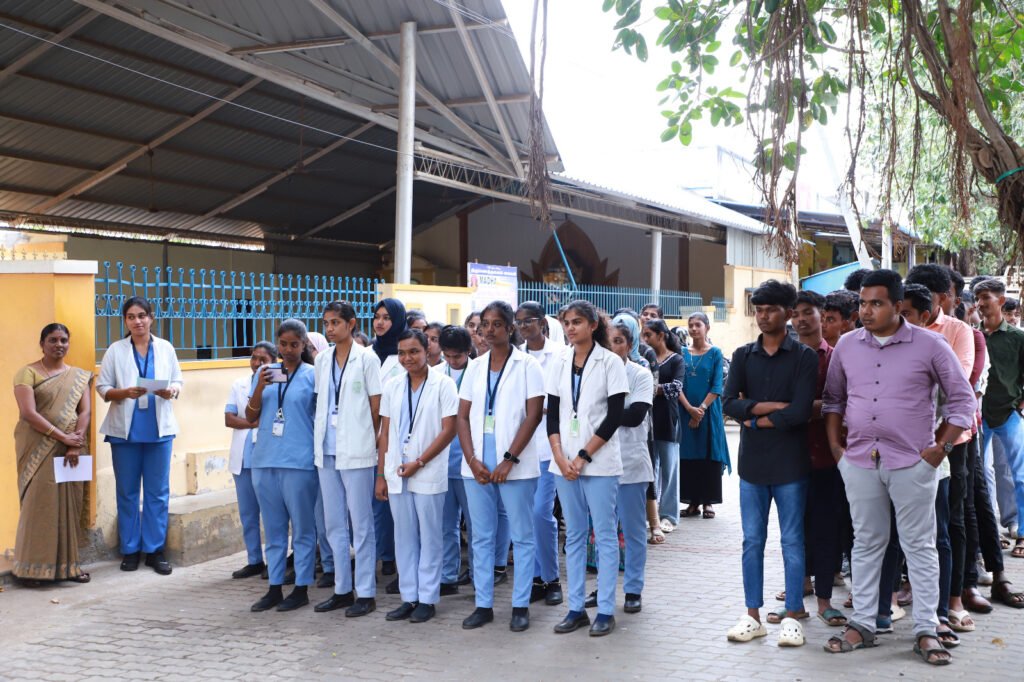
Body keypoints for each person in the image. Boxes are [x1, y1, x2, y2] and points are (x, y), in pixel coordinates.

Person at [822, 269, 974, 665]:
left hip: (912, 462)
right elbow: (834, 400)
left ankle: (926, 628)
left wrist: (939, 450)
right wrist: (837, 450)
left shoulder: (930, 344)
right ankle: (863, 623)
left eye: (876, 303)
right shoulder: (847, 346)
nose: (866, 311)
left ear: (897, 304)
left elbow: (963, 402)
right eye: (862, 303)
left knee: (919, 546)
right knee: (866, 543)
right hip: (859, 461)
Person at [722, 280, 816, 647]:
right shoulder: (743, 355)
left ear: (788, 313)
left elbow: (800, 411)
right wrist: (773, 407)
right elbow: (729, 404)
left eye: (771, 310)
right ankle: (752, 616)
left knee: (792, 540)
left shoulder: (804, 357)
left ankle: (793, 615)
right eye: (758, 310)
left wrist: (754, 419)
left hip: (791, 464)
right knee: (752, 540)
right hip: (752, 466)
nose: (763, 316)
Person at [458, 301, 545, 631]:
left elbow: (533, 416)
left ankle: (520, 605)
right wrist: (472, 460)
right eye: (485, 324)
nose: (489, 329)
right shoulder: (475, 367)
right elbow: (462, 417)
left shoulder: (527, 366)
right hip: (477, 467)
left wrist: (509, 460)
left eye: (497, 324)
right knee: (481, 537)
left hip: (515, 467)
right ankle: (483, 604)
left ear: (510, 328)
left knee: (521, 536)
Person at [546, 300, 628, 637]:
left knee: (605, 536)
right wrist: (560, 456)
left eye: (577, 322)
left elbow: (614, 417)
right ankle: (576, 608)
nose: (570, 328)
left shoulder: (610, 362)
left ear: (593, 325)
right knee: (575, 536)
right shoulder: (559, 361)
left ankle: (605, 610)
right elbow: (552, 414)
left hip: (599, 463)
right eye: (566, 322)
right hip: (563, 464)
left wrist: (582, 457)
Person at [376, 329, 459, 624]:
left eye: (413, 351)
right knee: (404, 537)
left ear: (427, 351)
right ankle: (409, 597)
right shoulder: (392, 386)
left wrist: (420, 461)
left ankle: (427, 598)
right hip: (397, 471)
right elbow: (385, 433)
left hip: (427, 469)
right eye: (402, 353)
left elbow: (449, 430)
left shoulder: (444, 384)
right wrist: (381, 475)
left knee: (430, 536)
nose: (407, 358)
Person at [98, 296, 183, 576]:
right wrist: (123, 393)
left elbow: (178, 380)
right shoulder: (116, 350)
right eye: (131, 317)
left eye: (142, 315)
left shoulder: (166, 348)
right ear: (125, 321)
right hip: (126, 433)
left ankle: (155, 550)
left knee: (158, 492)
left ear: (151, 317)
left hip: (159, 431)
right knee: (127, 491)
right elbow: (103, 387)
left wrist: (171, 391)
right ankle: (130, 549)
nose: (137, 321)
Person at [312, 301, 382, 617]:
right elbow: (321, 402)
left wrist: (373, 443)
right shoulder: (322, 359)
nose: (330, 328)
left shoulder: (367, 358)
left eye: (335, 322)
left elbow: (376, 406)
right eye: (326, 323)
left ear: (351, 324)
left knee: (361, 524)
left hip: (357, 450)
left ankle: (365, 592)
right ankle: (342, 589)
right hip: (327, 450)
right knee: (334, 524)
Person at [245, 319, 318, 612]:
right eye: (283, 344)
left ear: (304, 345)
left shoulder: (313, 375)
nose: (288, 350)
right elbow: (250, 416)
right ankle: (274, 587)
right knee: (274, 529)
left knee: (302, 529)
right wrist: (260, 387)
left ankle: (301, 588)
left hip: (299, 462)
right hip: (265, 460)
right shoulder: (265, 373)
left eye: (294, 345)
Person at [12, 323, 93, 585]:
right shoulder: (27, 373)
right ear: (42, 343)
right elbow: (28, 413)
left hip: (70, 450)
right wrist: (62, 436)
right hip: (38, 447)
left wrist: (74, 443)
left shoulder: (78, 376)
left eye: (63, 340)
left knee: (70, 506)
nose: (59, 345)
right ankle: (32, 570)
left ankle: (70, 567)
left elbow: (85, 412)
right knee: (39, 506)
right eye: (53, 340)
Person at [789, 290, 846, 627]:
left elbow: (843, 404)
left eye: (807, 312)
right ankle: (798, 591)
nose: (800, 319)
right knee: (794, 530)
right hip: (789, 459)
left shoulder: (837, 358)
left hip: (828, 456)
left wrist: (799, 410)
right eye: (795, 313)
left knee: (826, 529)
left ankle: (825, 600)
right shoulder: (786, 358)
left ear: (821, 315)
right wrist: (815, 409)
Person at [517, 301, 565, 606]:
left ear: (542, 322)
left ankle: (552, 577)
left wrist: (541, 408)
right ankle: (536, 578)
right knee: (525, 517)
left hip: (548, 447)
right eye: (519, 322)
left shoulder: (559, 354)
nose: (523, 327)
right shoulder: (515, 357)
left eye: (528, 321)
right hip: (521, 448)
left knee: (540, 513)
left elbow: (562, 398)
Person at [604, 318, 654, 613]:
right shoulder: (594, 374)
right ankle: (604, 587)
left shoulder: (640, 374)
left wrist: (601, 414)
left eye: (618, 341)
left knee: (633, 532)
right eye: (608, 341)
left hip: (631, 462)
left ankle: (633, 588)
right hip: (599, 464)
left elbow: (635, 416)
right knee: (603, 533)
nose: (612, 347)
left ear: (630, 345)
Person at [974, 278, 1024, 565]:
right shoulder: (973, 336)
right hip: (978, 416)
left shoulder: (1017, 337)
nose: (981, 303)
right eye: (978, 298)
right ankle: (990, 534)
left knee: (1020, 475)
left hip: (1008, 413)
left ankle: (1022, 534)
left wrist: (1019, 404)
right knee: (981, 476)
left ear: (1001, 301)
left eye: (986, 298)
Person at [225, 341, 276, 580]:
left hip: (267, 457)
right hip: (243, 458)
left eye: (263, 360)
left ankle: (275, 562)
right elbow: (229, 419)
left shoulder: (278, 385)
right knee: (248, 514)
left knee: (271, 513)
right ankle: (254, 560)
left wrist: (248, 421)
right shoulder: (239, 384)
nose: (257, 363)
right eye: (254, 358)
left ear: (274, 362)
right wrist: (254, 422)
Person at [678, 312, 730, 520]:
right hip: (685, 411)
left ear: (707, 327)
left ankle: (708, 501)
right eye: (690, 325)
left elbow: (717, 386)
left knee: (709, 454)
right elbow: (678, 384)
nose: (693, 329)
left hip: (709, 413)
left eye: (698, 325)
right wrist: (690, 409)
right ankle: (692, 502)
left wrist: (699, 410)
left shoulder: (715, 352)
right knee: (688, 456)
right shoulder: (682, 352)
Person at [371, 298, 407, 586]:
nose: (380, 322)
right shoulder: (367, 354)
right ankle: (381, 555)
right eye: (377, 317)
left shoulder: (404, 356)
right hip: (366, 437)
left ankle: (395, 557)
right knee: (375, 505)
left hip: (394, 438)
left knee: (393, 503)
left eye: (387, 317)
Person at [438, 325, 474, 594]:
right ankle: (447, 575)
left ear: (468, 351)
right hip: (442, 461)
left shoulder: (478, 372)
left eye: (457, 356)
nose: (452, 361)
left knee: (476, 525)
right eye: (447, 356)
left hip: (469, 460)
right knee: (445, 525)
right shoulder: (437, 375)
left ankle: (476, 573)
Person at [641, 319, 685, 534]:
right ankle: (651, 514)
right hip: (647, 419)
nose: (645, 339)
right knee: (649, 468)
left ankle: (669, 516)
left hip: (668, 419)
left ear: (661, 335)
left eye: (649, 335)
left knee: (669, 469)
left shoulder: (676, 360)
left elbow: (676, 388)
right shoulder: (644, 359)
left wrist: (649, 387)